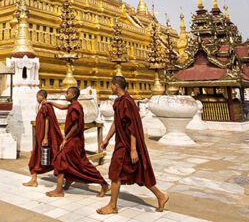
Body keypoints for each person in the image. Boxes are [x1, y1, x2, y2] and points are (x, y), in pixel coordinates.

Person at [97, 76, 169, 215]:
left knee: (115, 172)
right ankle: (161, 196)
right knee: (138, 171)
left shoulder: (127, 102)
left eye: (111, 85)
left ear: (116, 86)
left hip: (127, 145)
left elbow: (133, 127)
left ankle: (112, 206)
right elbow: (116, 122)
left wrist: (133, 149)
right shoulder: (119, 102)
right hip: (121, 142)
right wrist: (106, 139)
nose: (110, 88)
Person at [44, 86, 109, 197]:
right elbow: (62, 106)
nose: (65, 95)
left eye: (67, 93)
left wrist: (65, 139)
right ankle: (102, 184)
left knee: (62, 159)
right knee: (74, 162)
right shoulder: (73, 105)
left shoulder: (76, 108)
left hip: (73, 140)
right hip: (75, 139)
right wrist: (49, 102)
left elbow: (76, 125)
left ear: (73, 95)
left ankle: (59, 190)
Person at [23, 89, 63, 187]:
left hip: (44, 137)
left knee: (38, 158)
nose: (37, 98)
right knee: (36, 158)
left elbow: (47, 121)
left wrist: (45, 137)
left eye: (37, 96)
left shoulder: (46, 106)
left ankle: (35, 179)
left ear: (42, 96)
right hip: (40, 136)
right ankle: (34, 179)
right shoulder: (44, 106)